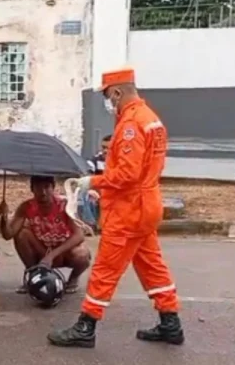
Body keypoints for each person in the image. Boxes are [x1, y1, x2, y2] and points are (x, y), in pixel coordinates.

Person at [48, 67, 184, 349]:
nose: (107, 102)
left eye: (108, 95)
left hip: (129, 210)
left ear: (118, 92)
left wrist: (93, 182)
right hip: (146, 205)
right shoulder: (151, 120)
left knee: (105, 270)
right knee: (151, 265)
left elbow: (127, 174)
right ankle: (170, 322)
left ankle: (86, 326)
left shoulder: (132, 124)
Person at [0, 176, 91, 294]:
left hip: (64, 253)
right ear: (32, 189)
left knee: (82, 254)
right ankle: (33, 275)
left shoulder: (65, 205)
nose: (43, 192)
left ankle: (73, 279)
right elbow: (8, 234)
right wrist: (3, 217)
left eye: (47, 187)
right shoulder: (26, 207)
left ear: (53, 188)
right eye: (38, 188)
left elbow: (79, 236)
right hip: (41, 251)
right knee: (22, 234)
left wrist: (51, 256)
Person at [80, 134, 111, 230]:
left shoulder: (121, 161)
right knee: (84, 193)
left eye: (109, 148)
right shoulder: (96, 159)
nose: (105, 151)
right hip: (98, 192)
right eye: (103, 147)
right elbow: (86, 174)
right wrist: (90, 190)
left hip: (114, 194)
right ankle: (90, 225)